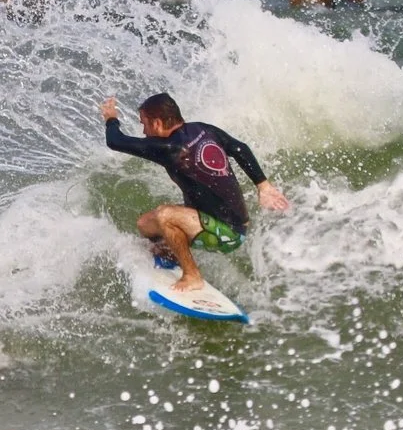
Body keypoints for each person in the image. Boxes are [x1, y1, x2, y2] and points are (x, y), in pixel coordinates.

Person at [100, 93, 289, 292]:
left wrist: (111, 118)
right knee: (145, 224)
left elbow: (116, 141)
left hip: (229, 233)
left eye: (144, 124)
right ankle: (170, 255)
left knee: (165, 215)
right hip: (218, 221)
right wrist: (263, 186)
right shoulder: (202, 129)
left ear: (157, 123)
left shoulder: (169, 148)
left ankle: (192, 275)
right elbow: (239, 148)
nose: (144, 131)